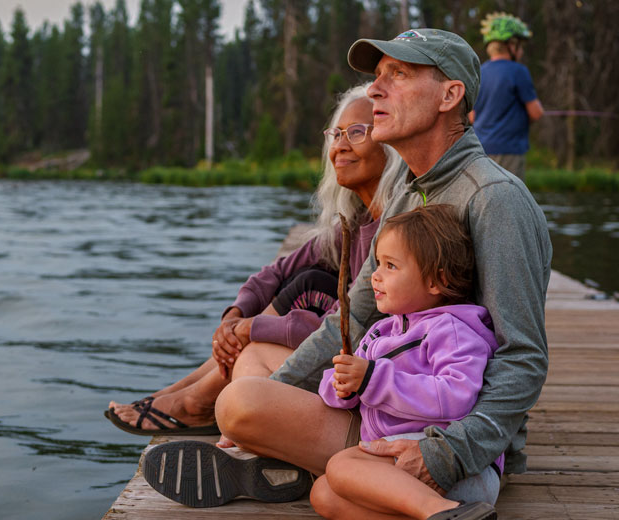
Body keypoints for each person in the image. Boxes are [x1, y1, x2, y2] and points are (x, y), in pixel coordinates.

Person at [142, 27, 552, 510]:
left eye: (398, 74)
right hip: (389, 393)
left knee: (237, 405)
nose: (376, 89)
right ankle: (286, 460)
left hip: (442, 431)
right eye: (377, 76)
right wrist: (280, 396)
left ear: (450, 95)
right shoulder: (405, 191)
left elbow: (523, 357)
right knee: (254, 371)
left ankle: (296, 462)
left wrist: (451, 452)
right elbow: (357, 316)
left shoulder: (494, 199)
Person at [105, 82, 402, 438]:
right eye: (336, 134)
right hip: (341, 363)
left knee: (255, 350)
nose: (339, 145)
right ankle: (184, 393)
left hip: (371, 381)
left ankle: (197, 404)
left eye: (356, 132)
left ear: (391, 141)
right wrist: (234, 315)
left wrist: (251, 328)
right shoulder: (355, 222)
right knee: (307, 280)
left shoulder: (394, 232)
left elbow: (356, 332)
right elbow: (276, 272)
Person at [311, 204, 501, 520]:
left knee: (341, 466)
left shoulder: (451, 329)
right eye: (378, 263)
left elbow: (456, 396)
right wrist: (343, 385)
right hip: (397, 460)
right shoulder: (381, 332)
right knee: (324, 494)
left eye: (391, 266)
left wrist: (372, 379)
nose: (376, 275)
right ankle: (453, 516)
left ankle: (441, 511)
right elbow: (348, 390)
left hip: (452, 465)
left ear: (435, 281)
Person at [468, 13, 543, 178]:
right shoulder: (518, 71)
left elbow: (471, 116)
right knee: (510, 198)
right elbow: (536, 113)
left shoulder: (479, 72)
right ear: (511, 45)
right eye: (520, 46)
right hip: (509, 150)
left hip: (480, 150)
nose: (521, 51)